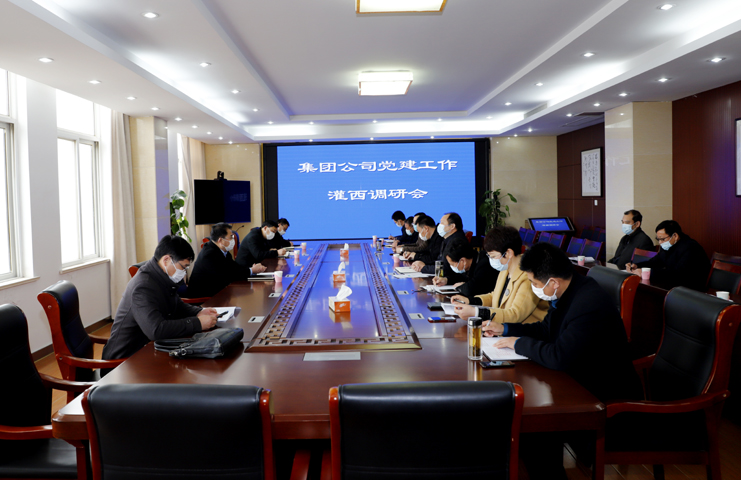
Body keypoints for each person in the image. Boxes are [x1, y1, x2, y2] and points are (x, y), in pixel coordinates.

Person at [488, 242, 642, 479]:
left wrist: (518, 344)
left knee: (535, 427)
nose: (533, 288)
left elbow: (559, 356)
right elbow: (546, 330)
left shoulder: (588, 303)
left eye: (534, 283)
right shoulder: (569, 290)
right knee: (526, 422)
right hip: (578, 382)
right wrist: (505, 329)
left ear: (553, 282)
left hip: (606, 401)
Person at [102, 235, 220, 361]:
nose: (184, 272)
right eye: (183, 267)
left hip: (148, 349)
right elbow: (156, 330)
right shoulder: (143, 287)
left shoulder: (161, 276)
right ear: (166, 260)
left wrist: (199, 312)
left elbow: (177, 305)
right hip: (124, 361)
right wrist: (198, 323)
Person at [452, 226, 547, 326]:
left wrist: (476, 312)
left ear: (508, 253)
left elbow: (515, 315)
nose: (491, 260)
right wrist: (469, 301)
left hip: (525, 332)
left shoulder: (529, 276)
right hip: (502, 328)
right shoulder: (505, 269)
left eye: (493, 256)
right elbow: (496, 295)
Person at [186, 223, 266, 298]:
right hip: (204, 298)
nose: (233, 239)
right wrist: (251, 270)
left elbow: (235, 268)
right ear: (220, 240)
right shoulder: (209, 255)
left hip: (219, 292)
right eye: (231, 237)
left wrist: (251, 269)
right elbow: (227, 276)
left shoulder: (222, 251)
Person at [626, 220, 711, 291]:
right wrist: (637, 265)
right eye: (658, 239)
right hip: (673, 285)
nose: (660, 243)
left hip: (691, 289)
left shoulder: (690, 248)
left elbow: (677, 274)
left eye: (662, 239)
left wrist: (650, 273)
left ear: (675, 236)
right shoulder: (669, 244)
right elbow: (655, 261)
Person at [433, 237, 497, 299]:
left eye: (452, 264)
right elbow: (462, 277)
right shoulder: (471, 263)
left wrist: (462, 286)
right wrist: (446, 280)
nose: (451, 266)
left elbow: (471, 289)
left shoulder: (484, 265)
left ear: (462, 261)